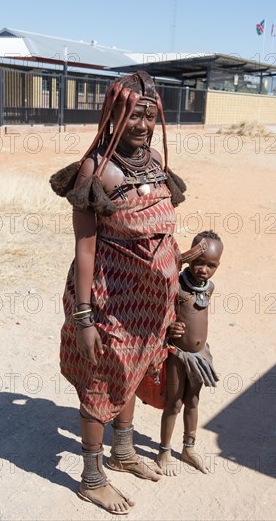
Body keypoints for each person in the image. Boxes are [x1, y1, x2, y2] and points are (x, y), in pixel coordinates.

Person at [50, 71, 186, 514]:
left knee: (134, 370)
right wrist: (84, 318)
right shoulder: (98, 169)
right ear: (113, 114)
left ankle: (123, 451)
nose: (142, 126)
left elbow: (161, 230)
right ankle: (91, 478)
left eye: (149, 116)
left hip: (150, 305)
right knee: (102, 379)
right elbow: (85, 245)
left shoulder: (155, 161)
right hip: (110, 298)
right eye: (132, 117)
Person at [157, 230, 223, 476]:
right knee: (173, 403)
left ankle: (188, 448)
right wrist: (169, 328)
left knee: (193, 401)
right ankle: (164, 450)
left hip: (199, 357)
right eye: (198, 262)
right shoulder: (176, 285)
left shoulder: (209, 287)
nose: (204, 269)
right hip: (177, 354)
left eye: (211, 265)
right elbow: (160, 313)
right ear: (190, 259)